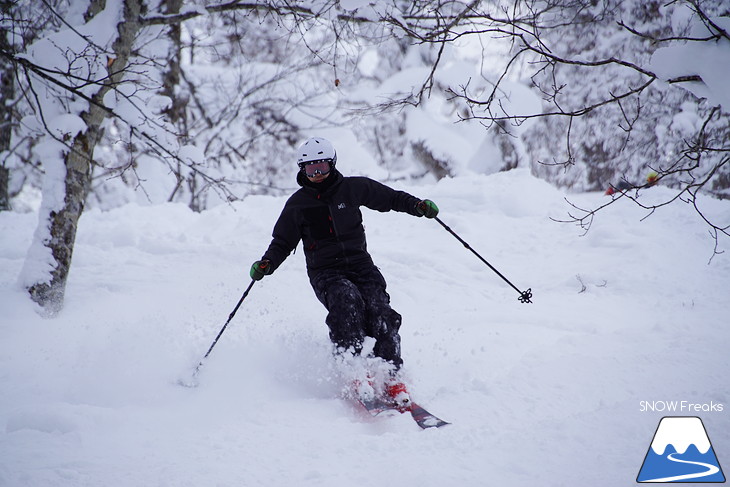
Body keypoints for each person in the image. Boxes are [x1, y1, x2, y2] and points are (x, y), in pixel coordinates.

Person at [249, 137, 439, 406]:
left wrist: (417, 206)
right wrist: (267, 264)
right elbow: (282, 242)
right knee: (346, 302)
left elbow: (390, 198)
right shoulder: (298, 204)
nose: (316, 174)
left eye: (322, 168)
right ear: (302, 170)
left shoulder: (352, 188)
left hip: (361, 267)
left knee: (380, 312)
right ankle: (353, 370)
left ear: (332, 164)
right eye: (310, 169)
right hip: (326, 272)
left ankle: (391, 375)